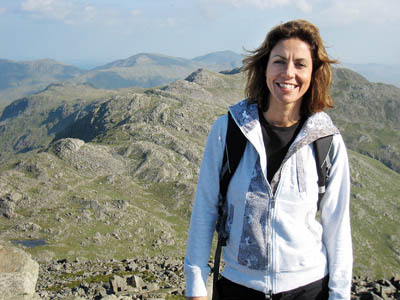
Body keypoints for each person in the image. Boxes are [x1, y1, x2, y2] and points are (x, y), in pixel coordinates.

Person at [184, 19, 352, 300]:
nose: (288, 73)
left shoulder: (327, 141)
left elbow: (337, 227)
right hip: (239, 287)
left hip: (310, 289)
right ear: (264, 67)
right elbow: (204, 210)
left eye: (300, 64)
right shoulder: (228, 131)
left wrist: (339, 295)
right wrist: (196, 286)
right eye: (279, 61)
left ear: (313, 73)